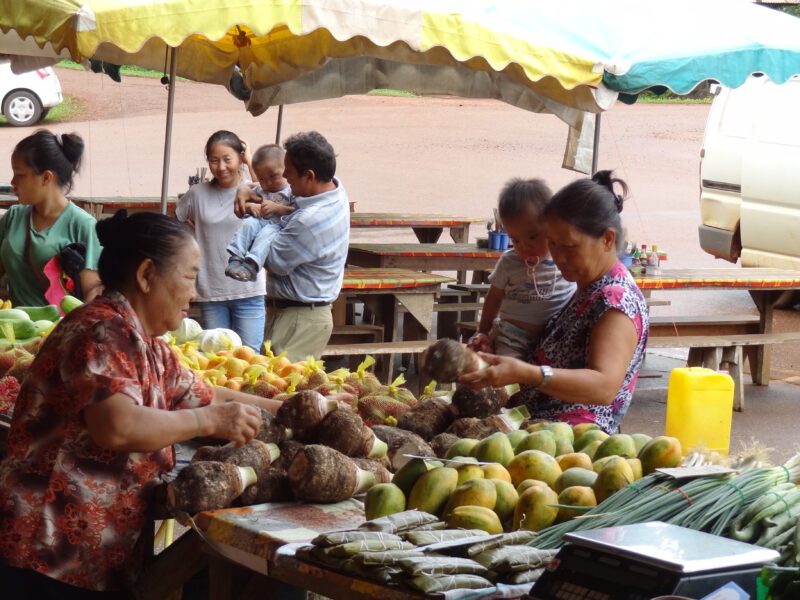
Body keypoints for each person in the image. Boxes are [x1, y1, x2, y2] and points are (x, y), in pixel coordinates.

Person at [0, 210, 280, 598]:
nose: (194, 293)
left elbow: (210, 394)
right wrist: (207, 420)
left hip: (86, 551)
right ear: (147, 275)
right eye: (189, 277)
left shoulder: (146, 344)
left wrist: (292, 408)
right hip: (47, 547)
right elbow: (117, 426)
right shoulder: (101, 330)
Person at [461, 171, 649, 433]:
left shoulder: (616, 300)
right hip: (531, 421)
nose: (558, 257)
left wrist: (527, 373)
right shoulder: (583, 287)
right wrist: (491, 340)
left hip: (571, 437)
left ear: (608, 239)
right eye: (552, 243)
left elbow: (604, 387)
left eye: (569, 247)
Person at [235, 131, 349, 362]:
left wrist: (253, 230)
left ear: (309, 176)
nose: (285, 177)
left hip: (299, 318)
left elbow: (274, 262)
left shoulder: (310, 220)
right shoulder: (334, 189)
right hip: (299, 313)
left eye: (289, 172)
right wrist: (245, 187)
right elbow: (276, 192)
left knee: (277, 381)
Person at [175, 130, 266, 351]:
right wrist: (191, 236)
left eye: (227, 159)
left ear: (240, 158)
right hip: (211, 290)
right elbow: (174, 223)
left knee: (250, 355)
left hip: (249, 289)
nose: (221, 167)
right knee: (216, 357)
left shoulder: (251, 189)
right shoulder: (197, 193)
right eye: (214, 161)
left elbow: (270, 197)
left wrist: (250, 160)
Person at [467, 178, 575, 359]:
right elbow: (493, 298)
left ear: (551, 227)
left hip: (555, 337)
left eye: (532, 237)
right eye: (515, 240)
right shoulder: (509, 262)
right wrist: (483, 331)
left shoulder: (564, 261)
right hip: (512, 338)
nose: (525, 246)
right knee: (507, 373)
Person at [0, 130, 103, 306]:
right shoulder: (13, 217)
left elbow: (92, 295)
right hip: (13, 323)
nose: (12, 182)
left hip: (61, 323)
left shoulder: (84, 226)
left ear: (46, 178)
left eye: (20, 174)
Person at [225, 144, 296, 282]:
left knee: (266, 235)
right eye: (262, 179)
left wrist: (277, 208)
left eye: (273, 176)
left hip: (277, 225)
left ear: (286, 171)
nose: (268, 182)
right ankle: (236, 257)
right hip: (260, 220)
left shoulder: (291, 191)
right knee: (248, 223)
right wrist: (251, 206)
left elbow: (295, 211)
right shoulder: (260, 189)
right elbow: (243, 205)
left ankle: (251, 266)